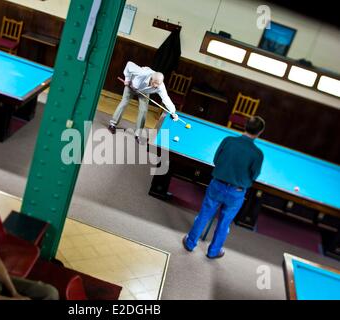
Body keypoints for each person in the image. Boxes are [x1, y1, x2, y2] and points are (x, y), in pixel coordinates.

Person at [182, 116, 265, 259]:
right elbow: (254, 176)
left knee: (204, 215)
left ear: (245, 125)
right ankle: (213, 251)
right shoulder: (258, 154)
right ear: (260, 132)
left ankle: (190, 243)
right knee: (224, 223)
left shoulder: (228, 141)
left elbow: (216, 160)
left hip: (217, 186)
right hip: (236, 193)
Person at [108, 61, 179, 144]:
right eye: (154, 83)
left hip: (144, 92)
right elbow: (129, 64)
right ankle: (112, 124)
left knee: (143, 110)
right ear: (151, 78)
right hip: (131, 86)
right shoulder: (142, 73)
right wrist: (127, 79)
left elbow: (166, 98)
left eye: (158, 84)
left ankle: (137, 134)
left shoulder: (160, 86)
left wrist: (173, 111)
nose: (156, 86)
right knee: (124, 103)